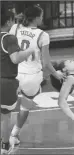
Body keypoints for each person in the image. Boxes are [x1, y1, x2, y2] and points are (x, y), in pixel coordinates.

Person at [8, 5, 64, 147]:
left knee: (5, 108)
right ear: (37, 17)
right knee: (25, 107)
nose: (43, 17)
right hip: (31, 78)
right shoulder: (43, 35)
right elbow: (46, 63)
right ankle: (14, 134)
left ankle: (3, 137)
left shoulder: (15, 28)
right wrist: (56, 74)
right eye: (42, 15)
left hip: (13, 74)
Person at [0, 9, 35, 154]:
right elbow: (15, 58)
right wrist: (29, 50)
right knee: (5, 117)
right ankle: (5, 146)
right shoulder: (9, 39)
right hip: (5, 82)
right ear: (8, 22)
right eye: (13, 20)